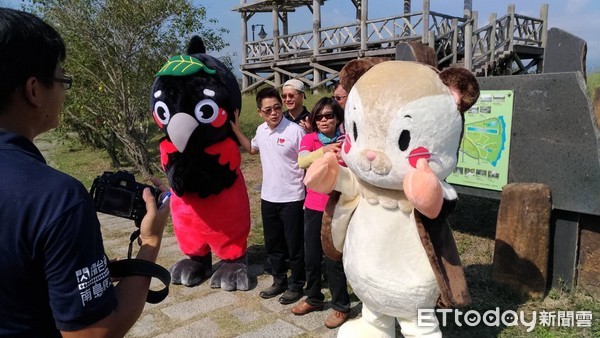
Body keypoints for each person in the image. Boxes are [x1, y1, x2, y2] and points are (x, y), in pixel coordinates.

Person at [0, 8, 170, 337]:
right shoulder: (54, 199)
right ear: (34, 90)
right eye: (63, 80)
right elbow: (95, 333)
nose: (64, 92)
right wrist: (150, 241)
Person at [230, 87, 306, 305]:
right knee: (273, 244)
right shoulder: (261, 131)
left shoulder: (295, 131)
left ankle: (297, 284)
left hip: (293, 197)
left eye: (276, 107)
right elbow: (252, 149)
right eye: (268, 110)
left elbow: (307, 162)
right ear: (260, 112)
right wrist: (235, 130)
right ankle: (279, 280)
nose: (274, 113)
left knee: (294, 245)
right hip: (269, 197)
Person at [291, 97, 352, 328]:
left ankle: (340, 306)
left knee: (334, 258)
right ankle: (314, 297)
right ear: (314, 120)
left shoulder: (348, 141)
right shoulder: (310, 139)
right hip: (314, 207)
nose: (324, 119)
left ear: (338, 118)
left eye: (329, 115)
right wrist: (325, 151)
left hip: (338, 207)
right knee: (312, 256)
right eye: (319, 116)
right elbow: (302, 161)